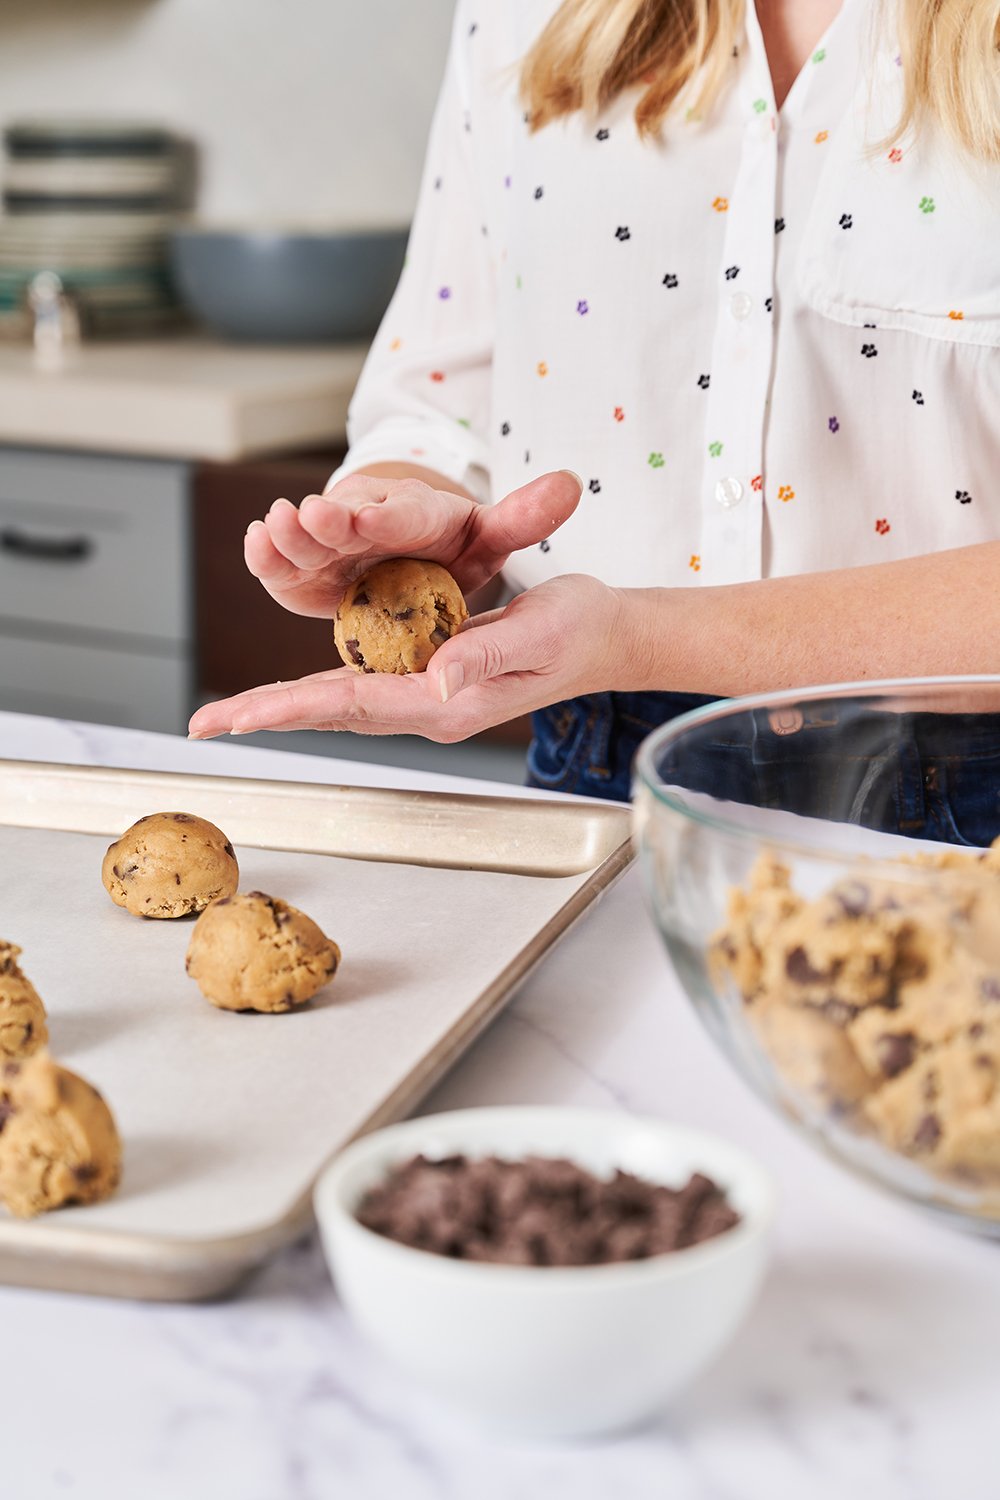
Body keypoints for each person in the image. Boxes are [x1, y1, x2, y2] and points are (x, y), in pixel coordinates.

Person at [189, 0, 1000, 837]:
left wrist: (642, 635)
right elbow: (438, 394)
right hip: (598, 759)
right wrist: (395, 514)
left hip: (973, 788)